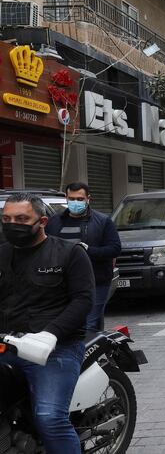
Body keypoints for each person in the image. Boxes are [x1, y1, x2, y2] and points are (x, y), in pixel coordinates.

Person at [0, 192, 94, 453]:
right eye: (6, 219)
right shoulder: (2, 254)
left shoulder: (70, 253)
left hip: (55, 349)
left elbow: (83, 301)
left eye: (21, 218)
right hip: (7, 345)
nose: (11, 224)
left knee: (50, 418)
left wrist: (51, 334)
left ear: (41, 221)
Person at [46, 181, 121, 334]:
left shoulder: (103, 221)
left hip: (95, 281)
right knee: (72, 322)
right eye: (72, 199)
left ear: (88, 199)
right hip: (62, 282)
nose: (75, 202)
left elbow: (114, 248)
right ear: (66, 198)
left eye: (80, 199)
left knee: (89, 323)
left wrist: (88, 251)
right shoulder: (54, 222)